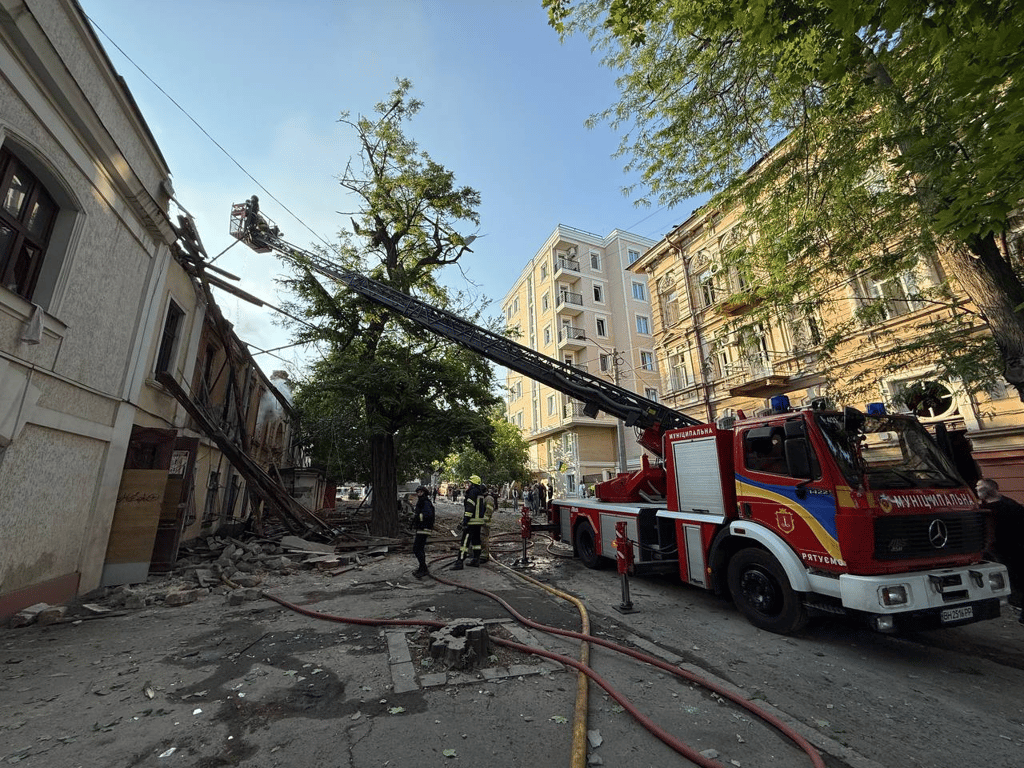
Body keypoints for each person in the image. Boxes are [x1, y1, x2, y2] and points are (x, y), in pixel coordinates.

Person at [977, 478, 1024, 616]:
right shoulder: (986, 507)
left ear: (988, 490)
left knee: (1016, 580)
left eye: (979, 487)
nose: (976, 489)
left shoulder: (1009, 507)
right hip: (996, 550)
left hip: (1010, 550)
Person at [453, 475, 486, 570]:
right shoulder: (480, 493)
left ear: (472, 483)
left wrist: (465, 521)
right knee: (476, 541)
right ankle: (476, 560)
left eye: (469, 483)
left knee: (465, 542)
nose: (467, 484)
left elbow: (470, 508)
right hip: (478, 521)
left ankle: (459, 562)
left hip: (471, 521)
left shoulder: (472, 492)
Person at [411, 486, 435, 579]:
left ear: (424, 493)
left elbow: (428, 515)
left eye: (420, 492)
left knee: (417, 549)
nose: (418, 494)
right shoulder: (422, 501)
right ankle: (422, 567)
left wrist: (418, 517)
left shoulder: (425, 502)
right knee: (419, 548)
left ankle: (423, 568)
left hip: (424, 528)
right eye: (418, 492)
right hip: (421, 528)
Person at [478, 486, 497, 563]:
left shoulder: (488, 498)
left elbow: (489, 511)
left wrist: (483, 520)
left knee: (484, 539)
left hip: (485, 523)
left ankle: (484, 556)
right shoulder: (483, 498)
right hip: (481, 522)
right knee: (480, 538)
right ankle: (480, 554)